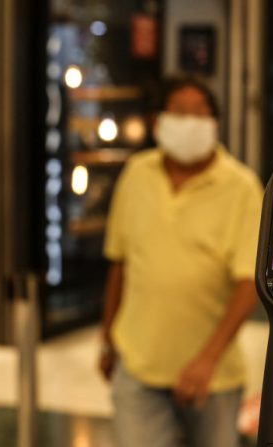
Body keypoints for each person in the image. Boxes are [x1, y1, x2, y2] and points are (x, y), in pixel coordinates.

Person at [98, 75, 263, 447]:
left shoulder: (241, 187)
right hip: (138, 367)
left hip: (214, 378)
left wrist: (207, 360)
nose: (189, 122)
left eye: (199, 114)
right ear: (159, 122)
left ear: (215, 123)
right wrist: (108, 340)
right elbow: (121, 264)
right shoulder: (137, 174)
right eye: (179, 113)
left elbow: (248, 283)